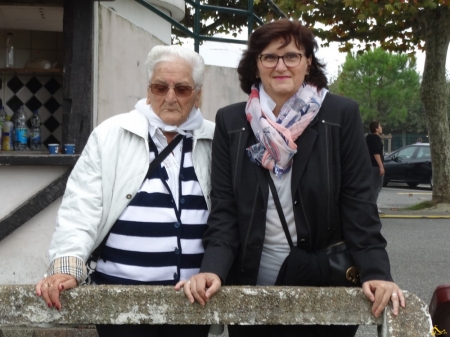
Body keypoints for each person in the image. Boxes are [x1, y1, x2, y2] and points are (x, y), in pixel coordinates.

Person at [176, 19, 405, 337]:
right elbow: (225, 209)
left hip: (324, 283)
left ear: (308, 62)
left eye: (292, 56)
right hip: (252, 289)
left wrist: (377, 271)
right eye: (269, 56)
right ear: (256, 66)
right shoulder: (232, 121)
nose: (280, 65)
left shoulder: (340, 115)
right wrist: (212, 268)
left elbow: (359, 204)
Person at [35, 45, 214, 337]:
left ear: (198, 94)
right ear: (148, 89)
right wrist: (67, 268)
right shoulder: (111, 135)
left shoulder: (215, 139)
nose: (169, 97)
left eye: (182, 89)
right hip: (118, 301)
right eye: (160, 87)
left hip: (193, 303)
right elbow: (81, 207)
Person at [366, 121, 385, 211]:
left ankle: (368, 205)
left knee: (371, 186)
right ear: (376, 129)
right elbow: (376, 153)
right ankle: (373, 206)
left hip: (369, 166)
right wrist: (381, 166)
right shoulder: (376, 139)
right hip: (375, 166)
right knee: (376, 187)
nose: (381, 128)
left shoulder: (368, 138)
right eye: (380, 126)